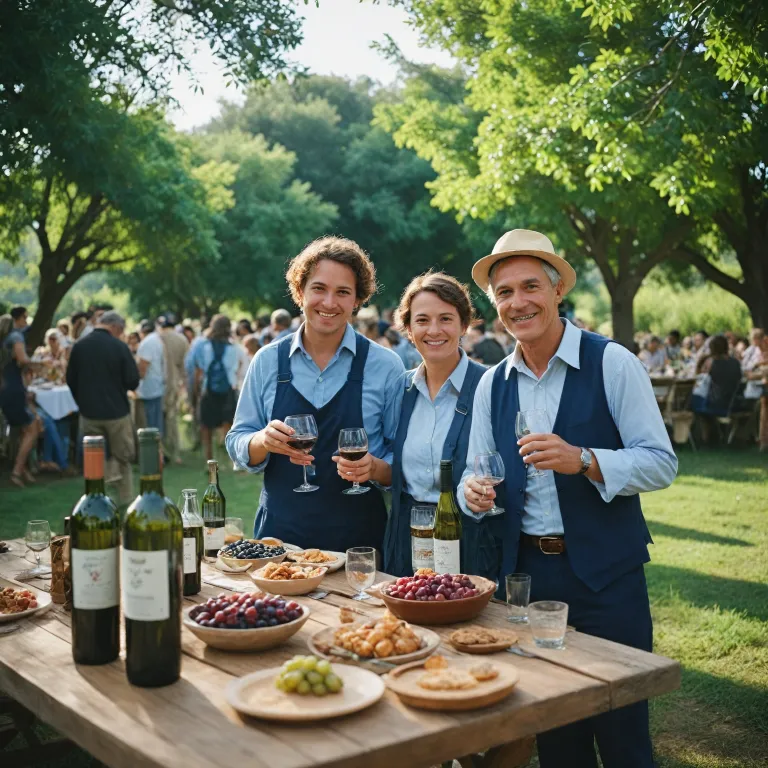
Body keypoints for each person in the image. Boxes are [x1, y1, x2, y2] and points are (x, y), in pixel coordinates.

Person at [460, 229, 677, 768]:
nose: (518, 301)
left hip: (609, 577)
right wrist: (474, 494)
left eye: (530, 285)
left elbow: (661, 462)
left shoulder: (613, 363)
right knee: (557, 737)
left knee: (625, 735)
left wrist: (585, 459)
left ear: (558, 291)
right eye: (504, 293)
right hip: (530, 581)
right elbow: (475, 474)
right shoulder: (492, 383)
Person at [226, 236, 405, 552]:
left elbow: (401, 459)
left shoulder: (385, 365)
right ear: (300, 292)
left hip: (361, 546)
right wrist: (261, 441)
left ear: (357, 300)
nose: (329, 302)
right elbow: (237, 439)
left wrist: (376, 468)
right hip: (279, 543)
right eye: (319, 288)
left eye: (343, 292)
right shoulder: (268, 361)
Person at [381, 272, 493, 577]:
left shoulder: (491, 385)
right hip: (407, 539)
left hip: (472, 541)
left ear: (464, 325)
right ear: (407, 328)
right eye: (422, 320)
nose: (434, 330)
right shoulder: (400, 390)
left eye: (445, 318)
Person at [66, 311, 139, 505]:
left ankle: (96, 499)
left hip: (89, 412)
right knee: (123, 456)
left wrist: (82, 402)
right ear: (115, 327)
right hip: (117, 412)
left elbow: (70, 380)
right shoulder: (119, 346)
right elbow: (132, 381)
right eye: (121, 331)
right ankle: (125, 498)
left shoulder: (79, 346)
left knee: (93, 458)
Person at [0, 314, 43, 486]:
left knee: (22, 430)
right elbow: (23, 359)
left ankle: (23, 469)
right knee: (33, 428)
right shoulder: (15, 337)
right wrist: (40, 365)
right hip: (14, 389)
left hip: (4, 391)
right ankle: (17, 471)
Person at [196, 314, 239, 461]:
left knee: (206, 425)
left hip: (208, 389)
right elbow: (235, 369)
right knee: (229, 423)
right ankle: (232, 457)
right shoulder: (234, 348)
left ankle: (209, 456)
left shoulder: (204, 346)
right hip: (228, 388)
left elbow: (200, 369)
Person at [157, 313, 189, 465]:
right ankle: (175, 452)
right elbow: (185, 366)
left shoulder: (157, 338)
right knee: (172, 419)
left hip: (159, 382)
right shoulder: (181, 339)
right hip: (174, 382)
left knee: (157, 418)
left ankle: (161, 452)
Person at [135, 318, 166, 435]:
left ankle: (153, 452)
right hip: (156, 387)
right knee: (157, 425)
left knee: (150, 427)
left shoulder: (147, 343)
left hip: (149, 389)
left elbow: (142, 369)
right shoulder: (156, 339)